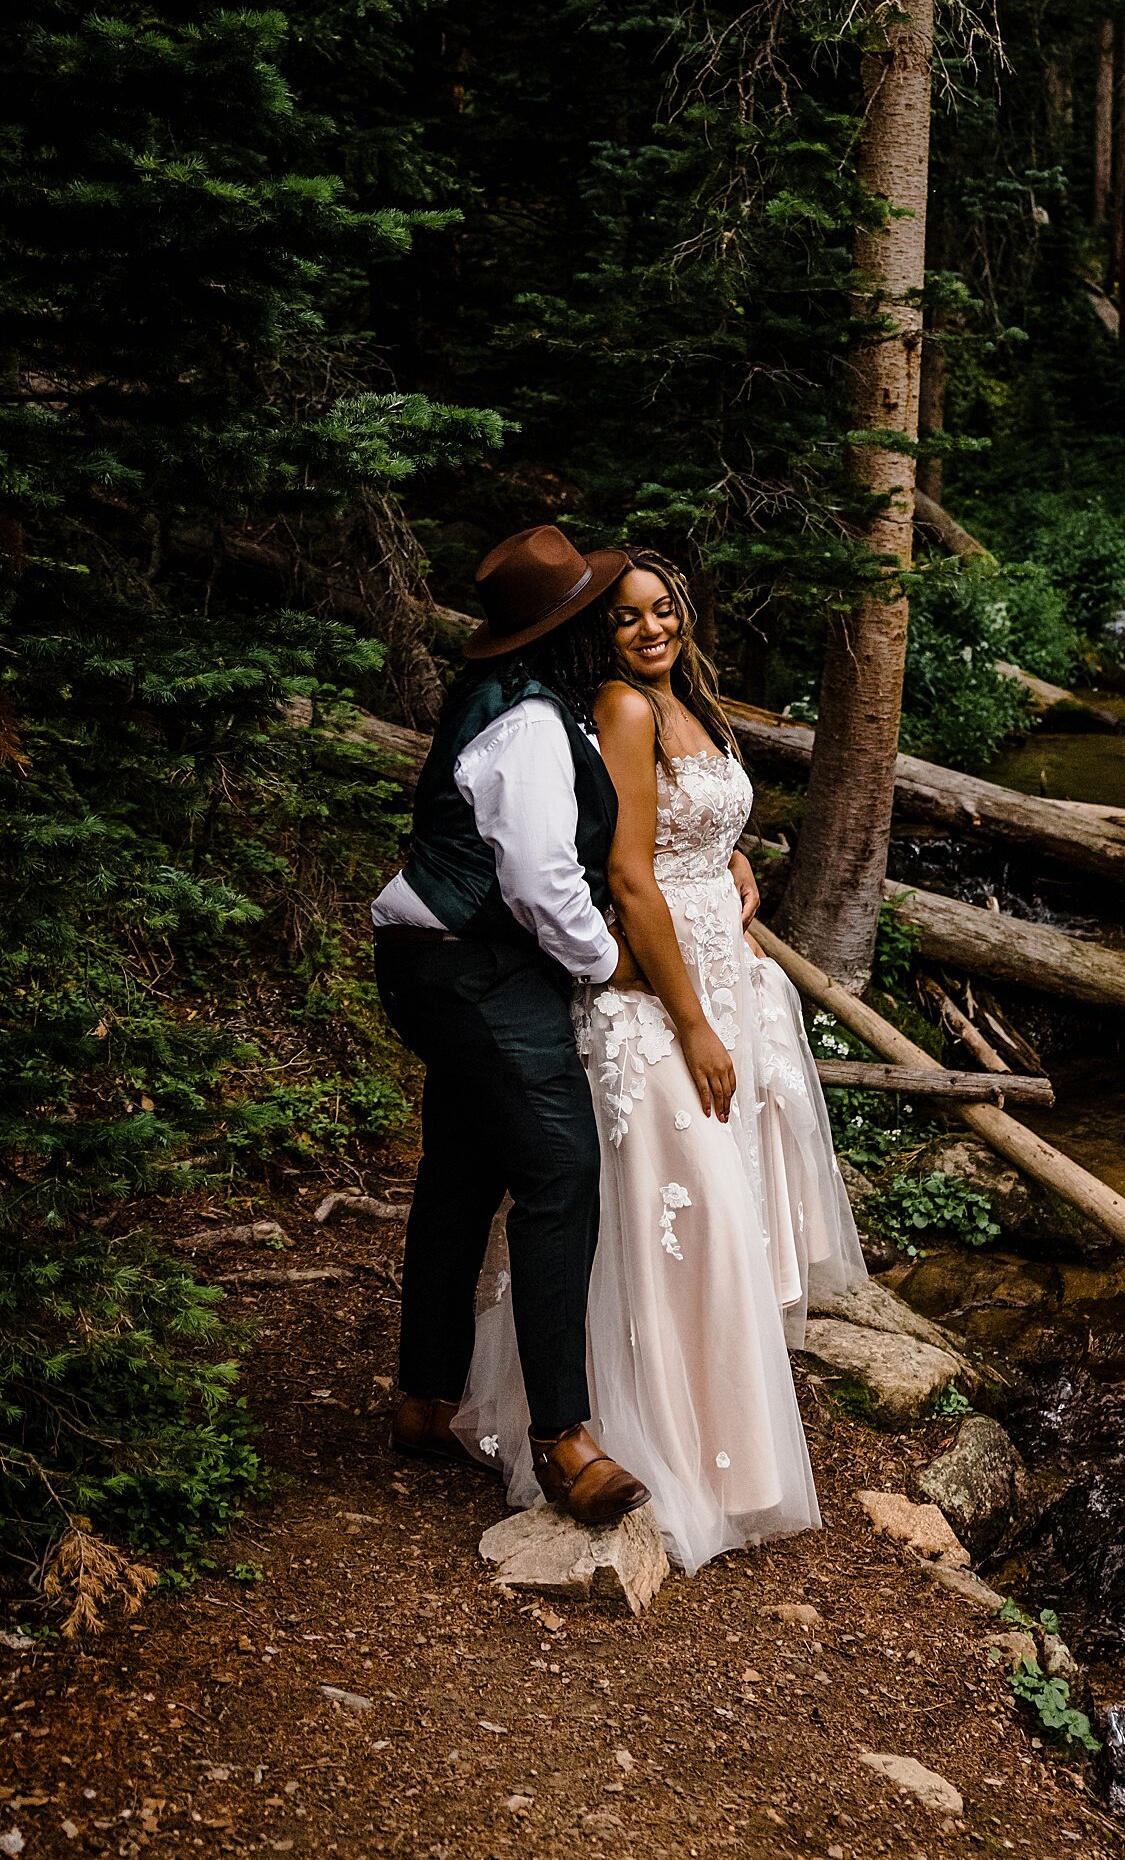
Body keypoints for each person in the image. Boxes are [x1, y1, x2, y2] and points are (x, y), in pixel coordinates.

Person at [455, 550, 866, 1571]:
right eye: (631, 616)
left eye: (664, 608)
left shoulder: (694, 704)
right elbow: (628, 873)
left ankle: (735, 1448)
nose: (651, 629)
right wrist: (690, 1021)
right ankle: (662, 1441)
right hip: (657, 981)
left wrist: (733, 874)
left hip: (722, 958)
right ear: (608, 630)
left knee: (726, 1208)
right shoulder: (624, 710)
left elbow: (699, 827)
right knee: (682, 1210)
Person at [370, 523, 738, 1529]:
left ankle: (424, 1396)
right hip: (475, 968)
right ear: (570, 628)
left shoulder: (499, 701)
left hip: (428, 955)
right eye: (597, 612)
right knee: (560, 1171)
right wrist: (608, 960)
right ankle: (564, 1439)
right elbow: (541, 880)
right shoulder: (534, 723)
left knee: (461, 1169)